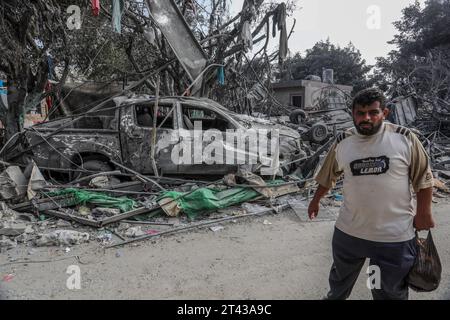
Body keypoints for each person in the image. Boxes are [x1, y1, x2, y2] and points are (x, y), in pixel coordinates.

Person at [308, 88, 435, 300]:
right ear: (353, 114)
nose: (366, 118)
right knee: (339, 285)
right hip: (349, 234)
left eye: (373, 112)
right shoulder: (343, 141)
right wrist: (315, 201)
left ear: (384, 113)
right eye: (360, 113)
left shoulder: (404, 138)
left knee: (385, 291)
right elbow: (327, 175)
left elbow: (424, 178)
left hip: (393, 238)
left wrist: (424, 212)